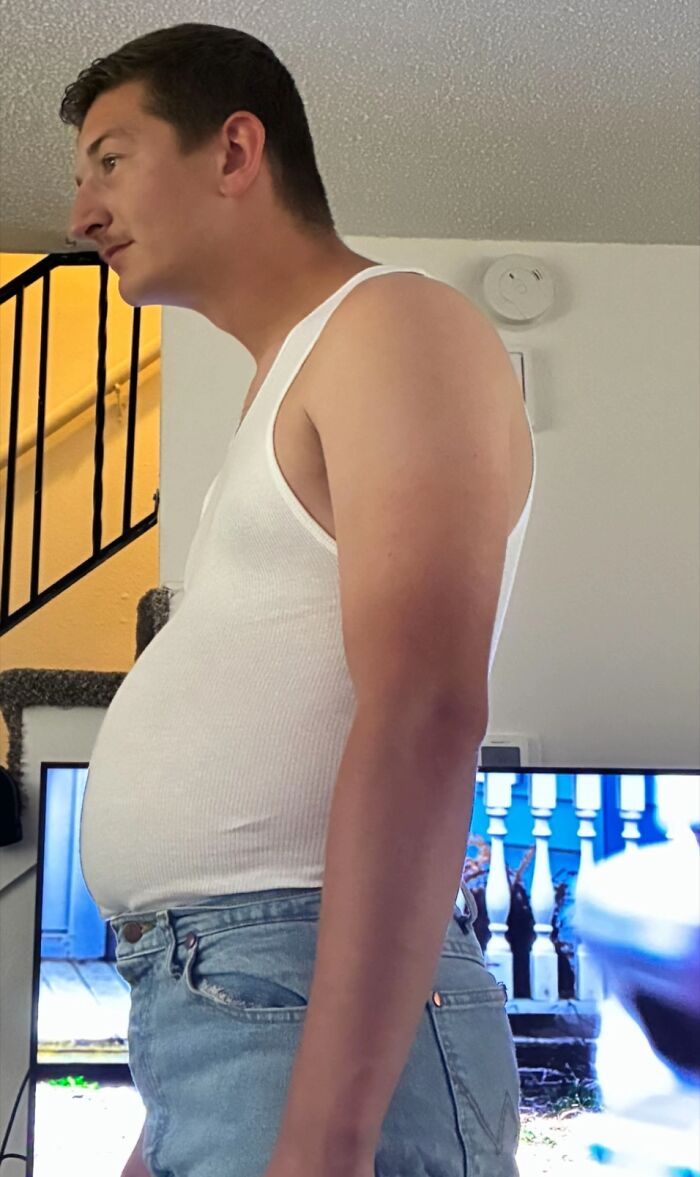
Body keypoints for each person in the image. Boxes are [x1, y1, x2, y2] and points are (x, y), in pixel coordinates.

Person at [63, 22, 536, 1177]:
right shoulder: (283, 386)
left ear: (234, 151)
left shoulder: (394, 323)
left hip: (294, 987)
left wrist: (324, 1136)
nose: (81, 213)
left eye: (110, 161)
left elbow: (425, 709)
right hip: (226, 1007)